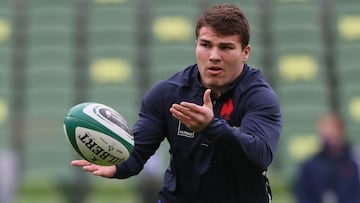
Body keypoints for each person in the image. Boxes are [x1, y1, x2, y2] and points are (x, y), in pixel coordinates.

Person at [72, 4, 282, 203]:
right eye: (206, 45)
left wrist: (211, 127)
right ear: (196, 45)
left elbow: (260, 155)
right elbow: (137, 154)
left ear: (245, 53)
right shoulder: (167, 93)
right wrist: (117, 166)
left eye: (225, 47)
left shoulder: (259, 97)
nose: (214, 56)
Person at [294, 113, 360, 203]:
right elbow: (303, 195)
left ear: (341, 132)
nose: (328, 134)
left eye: (332, 129)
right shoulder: (310, 165)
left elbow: (355, 195)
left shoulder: (352, 162)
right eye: (324, 129)